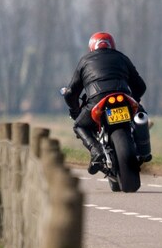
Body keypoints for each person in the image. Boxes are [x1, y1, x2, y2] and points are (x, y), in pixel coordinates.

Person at [61, 31, 147, 174]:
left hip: (97, 100)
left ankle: (96, 151)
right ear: (112, 45)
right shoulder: (122, 58)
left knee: (79, 126)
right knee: (141, 115)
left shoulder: (85, 61)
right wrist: (135, 101)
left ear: (92, 47)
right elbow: (141, 86)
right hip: (124, 96)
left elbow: (70, 93)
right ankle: (143, 149)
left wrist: (75, 110)